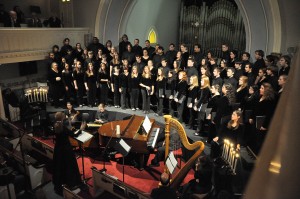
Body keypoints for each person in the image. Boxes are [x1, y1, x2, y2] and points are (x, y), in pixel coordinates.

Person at [52, 112, 83, 195]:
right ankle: (72, 184)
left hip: (58, 149)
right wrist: (81, 129)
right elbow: (73, 135)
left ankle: (63, 181)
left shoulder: (55, 125)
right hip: (66, 150)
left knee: (61, 165)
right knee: (69, 166)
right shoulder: (63, 127)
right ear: (62, 118)